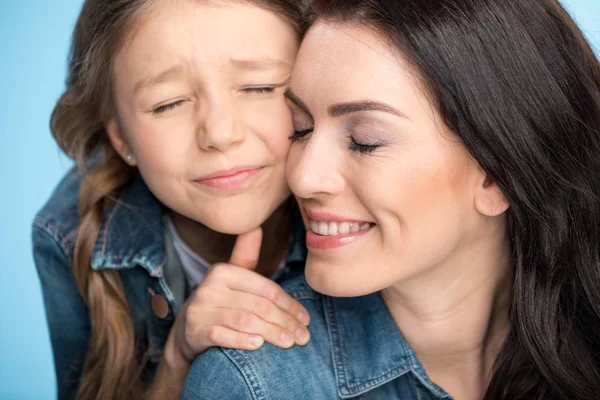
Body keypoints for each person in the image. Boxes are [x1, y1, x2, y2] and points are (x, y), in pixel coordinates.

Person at [181, 0, 600, 399]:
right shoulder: (253, 385)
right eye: (301, 128)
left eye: (365, 141)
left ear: (496, 176)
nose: (303, 177)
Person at [32, 1, 312, 399]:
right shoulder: (70, 232)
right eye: (169, 103)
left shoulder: (372, 203)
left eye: (259, 87)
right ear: (121, 139)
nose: (219, 132)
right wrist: (177, 361)